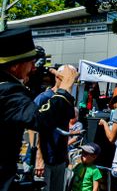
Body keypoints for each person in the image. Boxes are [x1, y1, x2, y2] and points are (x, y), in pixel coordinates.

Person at [0, 28, 79, 191]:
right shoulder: (8, 91)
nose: (34, 68)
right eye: (31, 62)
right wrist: (64, 89)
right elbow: (38, 120)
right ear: (15, 66)